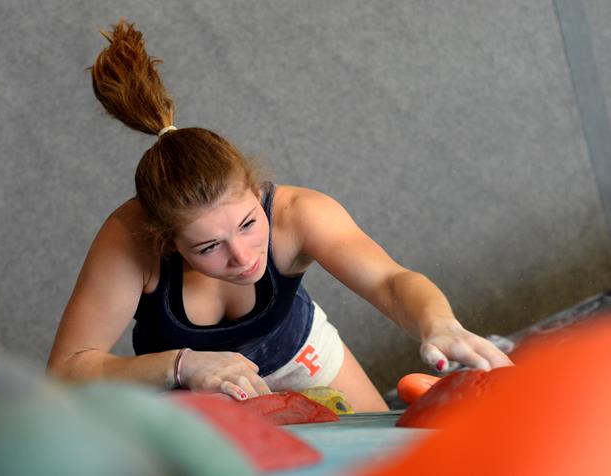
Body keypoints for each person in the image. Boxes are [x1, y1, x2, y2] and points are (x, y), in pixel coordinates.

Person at [47, 19, 512, 412]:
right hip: (189, 386)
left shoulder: (298, 213)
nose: (243, 255)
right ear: (167, 241)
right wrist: (180, 364)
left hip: (298, 354)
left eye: (249, 223)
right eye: (209, 247)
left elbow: (390, 282)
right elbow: (68, 370)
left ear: (257, 190)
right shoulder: (129, 241)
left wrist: (439, 323)